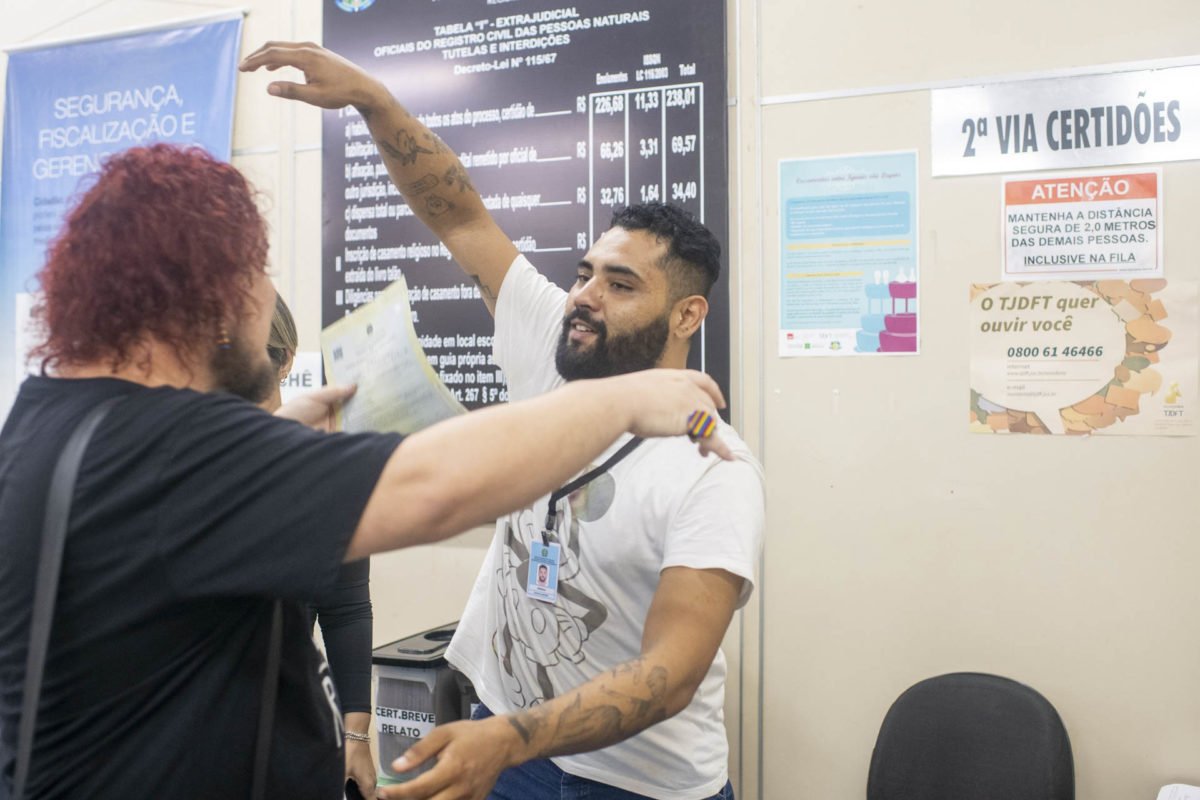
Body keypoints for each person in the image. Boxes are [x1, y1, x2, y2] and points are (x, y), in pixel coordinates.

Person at [0, 143, 732, 800]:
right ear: (212, 298)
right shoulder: (171, 450)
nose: (266, 297)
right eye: (257, 273)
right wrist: (623, 404)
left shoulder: (55, 420)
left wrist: (279, 441)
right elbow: (432, 487)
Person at [243, 42, 765, 800]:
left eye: (620, 285)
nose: (584, 295)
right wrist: (374, 102)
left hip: (632, 783)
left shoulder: (716, 469)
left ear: (687, 312)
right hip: (508, 738)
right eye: (585, 272)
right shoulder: (554, 343)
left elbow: (669, 673)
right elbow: (458, 215)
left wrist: (510, 738)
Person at [262, 292, 378, 798]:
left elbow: (346, 606)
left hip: (290, 727)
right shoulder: (180, 460)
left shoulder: (319, 467)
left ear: (284, 360)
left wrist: (356, 735)